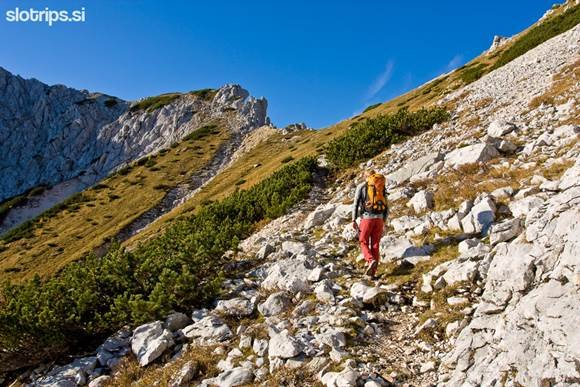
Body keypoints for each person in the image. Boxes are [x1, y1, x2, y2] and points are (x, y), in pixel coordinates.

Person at [352, 169, 388, 278]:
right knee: (375, 244)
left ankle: (370, 260)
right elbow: (387, 205)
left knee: (363, 241)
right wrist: (384, 220)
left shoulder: (362, 186)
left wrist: (353, 219)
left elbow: (356, 204)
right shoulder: (381, 186)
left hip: (367, 218)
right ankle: (373, 272)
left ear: (366, 176)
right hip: (380, 219)